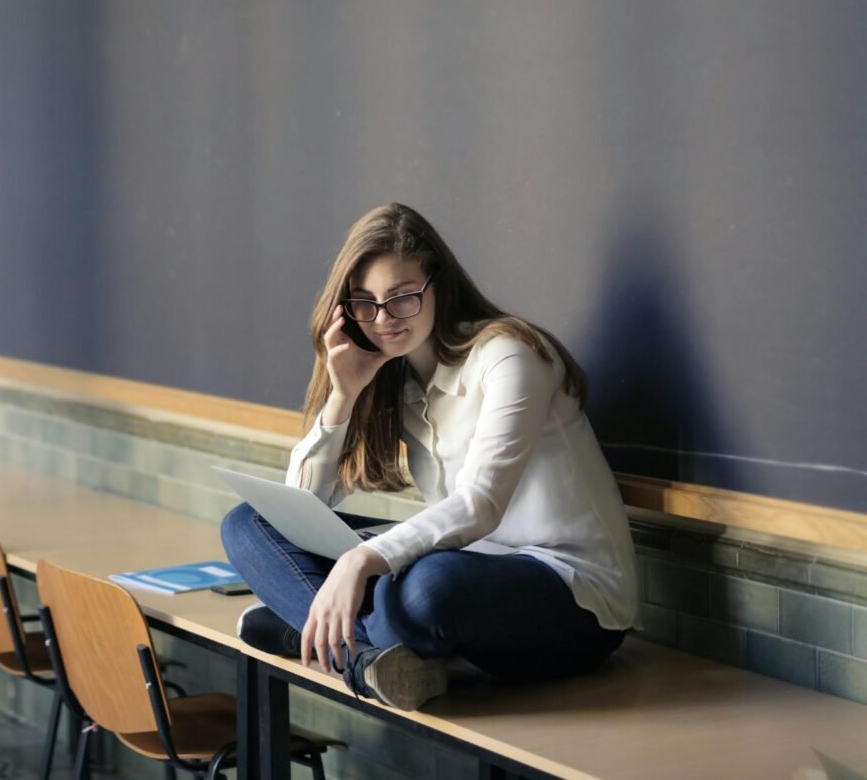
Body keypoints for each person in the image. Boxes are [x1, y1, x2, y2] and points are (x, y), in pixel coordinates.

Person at [221, 203, 636, 711]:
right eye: (364, 303)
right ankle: (365, 657)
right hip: (469, 569)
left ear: (438, 284)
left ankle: (309, 630)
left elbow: (480, 504)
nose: (383, 320)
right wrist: (342, 397)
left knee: (425, 590)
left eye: (402, 298)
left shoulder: (509, 355)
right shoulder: (395, 379)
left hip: (573, 600)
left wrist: (358, 561)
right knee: (248, 523)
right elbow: (300, 509)